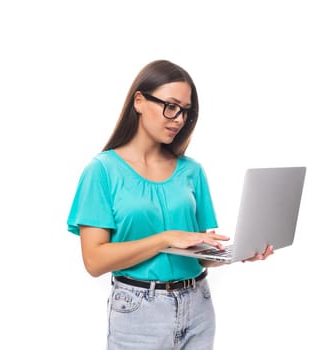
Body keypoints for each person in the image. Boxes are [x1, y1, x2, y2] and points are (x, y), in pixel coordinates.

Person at [67, 59, 274, 350]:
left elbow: (197, 256)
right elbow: (94, 261)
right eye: (171, 106)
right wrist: (164, 239)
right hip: (138, 313)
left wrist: (237, 253)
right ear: (139, 101)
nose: (178, 119)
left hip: (198, 305)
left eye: (186, 111)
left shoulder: (192, 171)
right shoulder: (101, 171)